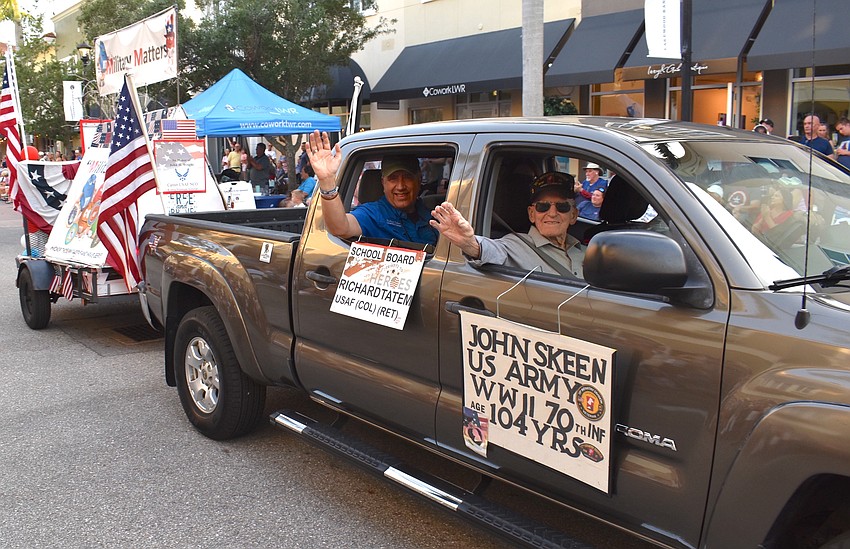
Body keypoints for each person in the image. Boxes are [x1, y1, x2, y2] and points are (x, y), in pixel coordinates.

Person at [430, 171, 582, 277]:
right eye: (543, 206)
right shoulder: (515, 246)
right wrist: (469, 243)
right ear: (531, 214)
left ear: (574, 215)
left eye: (562, 206)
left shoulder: (591, 251)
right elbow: (490, 250)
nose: (552, 213)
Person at [307, 130, 438, 245]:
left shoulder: (431, 213)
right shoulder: (373, 214)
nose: (400, 186)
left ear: (419, 179)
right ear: (383, 183)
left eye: (407, 177)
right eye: (393, 178)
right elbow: (341, 227)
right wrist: (327, 181)